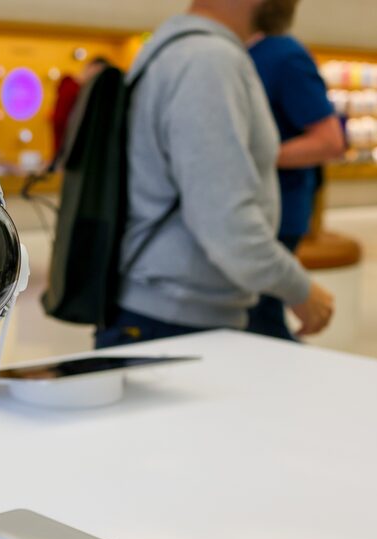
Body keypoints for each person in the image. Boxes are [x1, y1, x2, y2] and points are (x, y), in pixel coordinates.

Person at [95, 0, 334, 349]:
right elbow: (224, 218)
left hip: (166, 311)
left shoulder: (175, 50)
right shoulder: (208, 60)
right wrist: (299, 288)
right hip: (176, 319)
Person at [246, 0, 345, 341]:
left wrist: (252, 157)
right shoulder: (242, 53)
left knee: (260, 318)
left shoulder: (285, 56)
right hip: (256, 208)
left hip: (278, 212)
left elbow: (329, 141)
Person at [47, 57, 110, 171]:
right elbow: (62, 122)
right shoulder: (73, 89)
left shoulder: (78, 89)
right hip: (67, 152)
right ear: (90, 67)